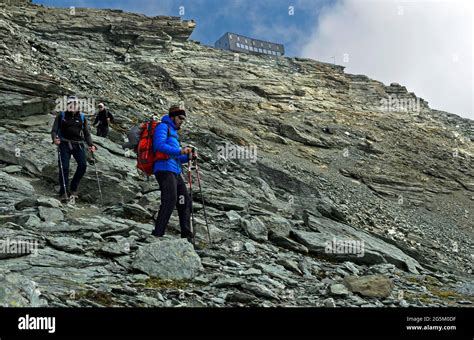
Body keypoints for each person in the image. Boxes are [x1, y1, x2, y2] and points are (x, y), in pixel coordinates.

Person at [152, 105, 194, 242]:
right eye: (180, 118)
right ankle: (158, 234)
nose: (182, 121)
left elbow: (176, 157)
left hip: (175, 170)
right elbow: (158, 145)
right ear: (172, 117)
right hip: (164, 169)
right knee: (170, 199)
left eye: (183, 119)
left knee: (184, 200)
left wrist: (187, 157)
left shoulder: (174, 134)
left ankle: (187, 237)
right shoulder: (163, 127)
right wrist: (180, 151)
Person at [51, 96, 97, 201]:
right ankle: (63, 192)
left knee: (83, 165)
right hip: (64, 144)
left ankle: (73, 188)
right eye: (70, 104)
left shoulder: (81, 117)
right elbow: (54, 130)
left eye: (75, 104)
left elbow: (86, 133)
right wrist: (55, 139)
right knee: (64, 167)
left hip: (78, 144)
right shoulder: (61, 116)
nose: (72, 106)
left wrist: (91, 145)